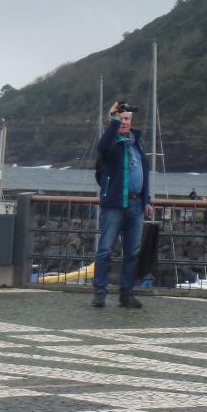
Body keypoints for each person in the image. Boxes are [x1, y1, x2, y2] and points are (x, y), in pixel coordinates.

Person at [91, 101, 150, 308]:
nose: (124, 122)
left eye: (127, 119)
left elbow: (145, 174)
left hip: (136, 205)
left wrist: (147, 199)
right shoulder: (111, 143)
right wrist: (113, 120)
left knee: (132, 252)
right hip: (115, 204)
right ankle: (99, 292)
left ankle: (127, 293)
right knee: (105, 249)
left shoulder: (137, 144)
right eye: (121, 119)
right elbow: (102, 147)